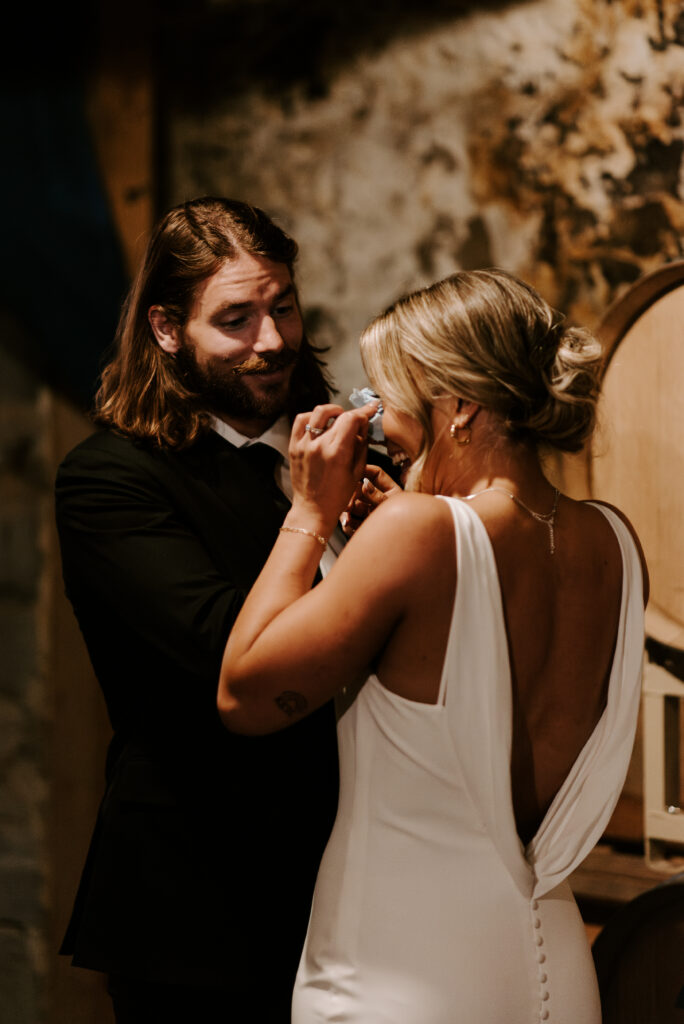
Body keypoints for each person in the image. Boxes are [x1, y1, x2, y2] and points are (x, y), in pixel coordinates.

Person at [217, 269, 648, 1024]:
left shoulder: (417, 532)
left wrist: (311, 513)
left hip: (404, 969)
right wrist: (387, 536)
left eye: (386, 394)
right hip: (551, 969)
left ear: (460, 405)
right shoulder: (612, 539)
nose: (377, 418)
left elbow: (245, 696)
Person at [56, 197, 345, 1023]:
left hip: (353, 883)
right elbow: (233, 648)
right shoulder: (111, 480)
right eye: (236, 318)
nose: (272, 340)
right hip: (200, 906)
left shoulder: (335, 445)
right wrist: (317, 519)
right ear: (166, 329)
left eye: (282, 306)